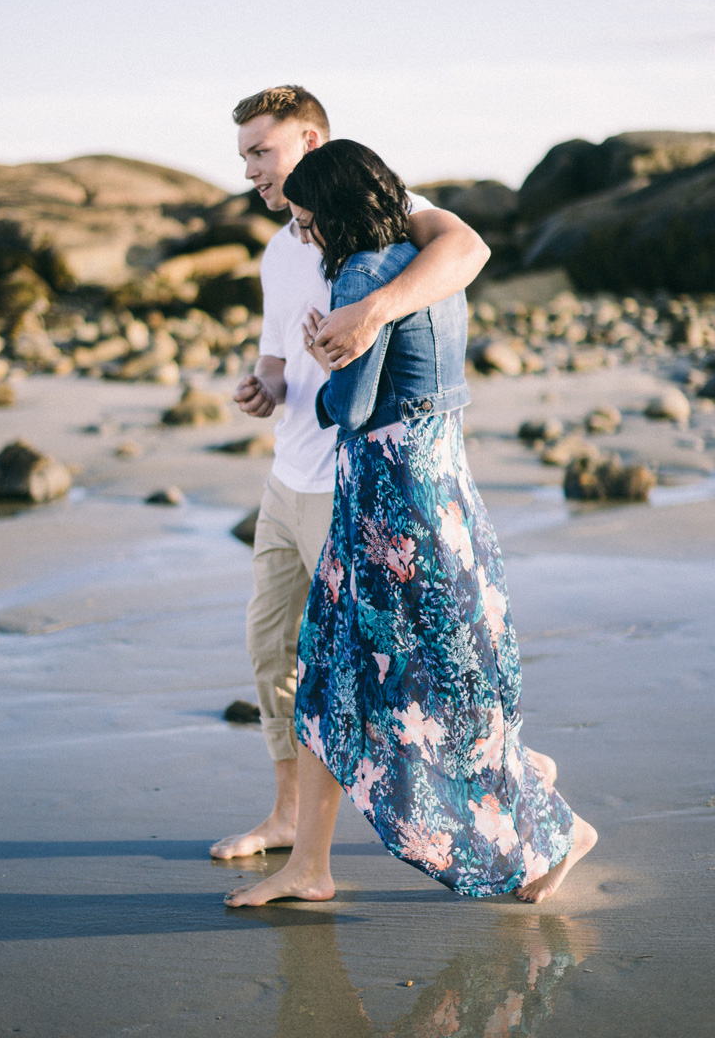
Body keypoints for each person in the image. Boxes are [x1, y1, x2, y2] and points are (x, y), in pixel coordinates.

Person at [228, 140, 597, 906]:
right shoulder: (432, 274)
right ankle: (539, 827)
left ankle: (546, 830)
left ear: (332, 213)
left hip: (387, 512)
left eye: (308, 222)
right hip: (447, 499)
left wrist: (320, 369)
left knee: (338, 684)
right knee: (453, 679)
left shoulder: (364, 274)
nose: (306, 237)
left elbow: (352, 409)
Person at [211, 87, 491, 860]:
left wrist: (371, 313)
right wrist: (263, 387)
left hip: (355, 487)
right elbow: (277, 363)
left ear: (308, 140)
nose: (250, 174)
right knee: (272, 653)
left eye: (260, 153)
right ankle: (287, 818)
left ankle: (509, 784)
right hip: (286, 482)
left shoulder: (396, 219)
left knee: (371, 671)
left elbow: (468, 252)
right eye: (243, 158)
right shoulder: (277, 251)